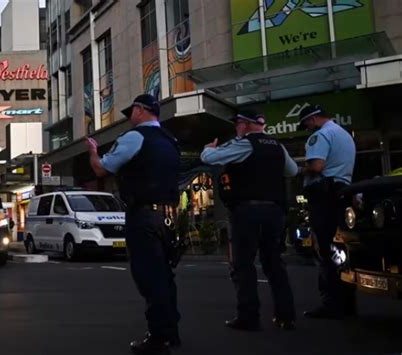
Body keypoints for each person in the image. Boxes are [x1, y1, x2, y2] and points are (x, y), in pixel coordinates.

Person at [86, 94, 181, 355]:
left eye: (132, 111)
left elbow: (101, 170)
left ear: (141, 111)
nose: (130, 117)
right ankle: (170, 330)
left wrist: (94, 152)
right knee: (165, 275)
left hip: (144, 215)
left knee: (149, 277)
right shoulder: (171, 140)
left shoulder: (134, 137)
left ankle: (159, 337)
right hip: (169, 216)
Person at [201, 109, 297, 331]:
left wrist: (208, 150)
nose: (237, 128)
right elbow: (291, 171)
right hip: (275, 212)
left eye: (238, 124)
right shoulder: (277, 146)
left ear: (244, 124)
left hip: (247, 211)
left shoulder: (245, 144)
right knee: (275, 264)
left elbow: (211, 159)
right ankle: (286, 315)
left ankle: (248, 316)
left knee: (243, 264)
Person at [297, 104, 357, 319]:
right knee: (343, 250)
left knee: (324, 250)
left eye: (305, 124)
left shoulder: (320, 136)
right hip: (342, 194)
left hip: (324, 196)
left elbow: (317, 166)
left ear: (312, 119)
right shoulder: (343, 134)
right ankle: (348, 302)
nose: (306, 128)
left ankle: (330, 302)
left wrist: (299, 169)